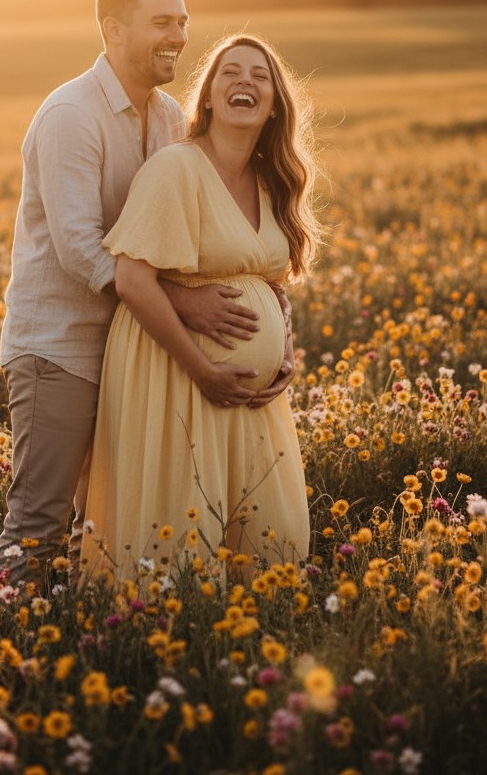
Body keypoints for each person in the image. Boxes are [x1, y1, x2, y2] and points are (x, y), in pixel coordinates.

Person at [0, 0, 293, 586]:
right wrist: (182, 301)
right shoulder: (71, 114)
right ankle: (11, 650)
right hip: (62, 346)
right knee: (40, 520)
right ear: (113, 30)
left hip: (134, 350)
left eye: (182, 22)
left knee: (99, 520)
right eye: (162, 21)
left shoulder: (165, 117)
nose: (179, 36)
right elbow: (81, 249)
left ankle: (79, 644)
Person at [80, 34, 321, 583]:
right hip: (174, 375)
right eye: (229, 73)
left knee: (268, 537)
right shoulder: (176, 169)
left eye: (260, 76)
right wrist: (203, 369)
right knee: (180, 534)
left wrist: (282, 344)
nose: (245, 83)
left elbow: (271, 283)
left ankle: (248, 645)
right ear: (208, 97)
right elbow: (133, 281)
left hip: (247, 397)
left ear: (276, 102)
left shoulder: (273, 180)